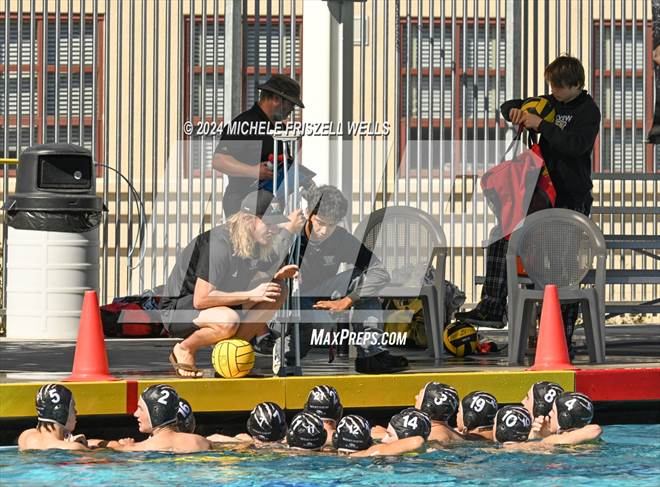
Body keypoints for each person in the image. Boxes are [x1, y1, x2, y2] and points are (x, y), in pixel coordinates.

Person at [456, 55, 601, 353]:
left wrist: (543, 125)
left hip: (570, 200)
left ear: (576, 84)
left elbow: (577, 146)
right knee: (502, 237)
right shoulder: (548, 102)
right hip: (539, 196)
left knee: (562, 267)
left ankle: (561, 338)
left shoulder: (587, 110)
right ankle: (492, 306)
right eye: (552, 86)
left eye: (559, 86)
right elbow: (509, 105)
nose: (554, 91)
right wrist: (516, 113)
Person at [159, 190, 303, 377]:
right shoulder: (219, 243)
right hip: (179, 310)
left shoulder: (255, 240)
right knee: (228, 320)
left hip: (219, 304)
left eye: (276, 224)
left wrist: (276, 275)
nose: (274, 230)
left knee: (277, 289)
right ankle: (185, 349)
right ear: (248, 220)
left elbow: (254, 276)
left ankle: (229, 355)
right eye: (268, 224)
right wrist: (251, 295)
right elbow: (201, 300)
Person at [274, 185, 409, 375]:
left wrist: (347, 300)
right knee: (298, 346)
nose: (324, 230)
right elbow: (267, 268)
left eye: (331, 225)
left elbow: (380, 271)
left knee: (362, 280)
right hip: (288, 303)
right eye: (320, 222)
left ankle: (372, 354)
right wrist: (287, 232)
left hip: (324, 297)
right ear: (308, 213)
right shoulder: (291, 234)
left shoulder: (340, 238)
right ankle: (284, 350)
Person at [213, 74, 306, 217]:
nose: (292, 109)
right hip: (242, 207)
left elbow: (283, 163)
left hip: (270, 207)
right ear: (276, 99)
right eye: (291, 104)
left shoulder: (278, 128)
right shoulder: (244, 124)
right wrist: (253, 171)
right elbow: (219, 161)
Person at [109, 385, 210, 453]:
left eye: (141, 409)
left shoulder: (137, 449)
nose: (135, 414)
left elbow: (99, 443)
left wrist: (122, 446)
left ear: (155, 412)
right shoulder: (201, 442)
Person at [18, 384, 88, 451]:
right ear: (61, 412)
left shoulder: (25, 437)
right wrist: (84, 446)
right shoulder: (74, 448)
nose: (76, 412)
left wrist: (67, 443)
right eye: (73, 407)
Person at [333, 415, 424, 457]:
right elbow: (417, 441)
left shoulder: (329, 454)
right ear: (369, 442)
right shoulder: (372, 451)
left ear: (336, 439)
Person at [531, 392, 602, 445]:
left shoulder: (553, 440)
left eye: (553, 411)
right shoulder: (587, 437)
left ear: (564, 418)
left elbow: (595, 429)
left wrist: (547, 439)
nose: (548, 415)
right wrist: (538, 435)